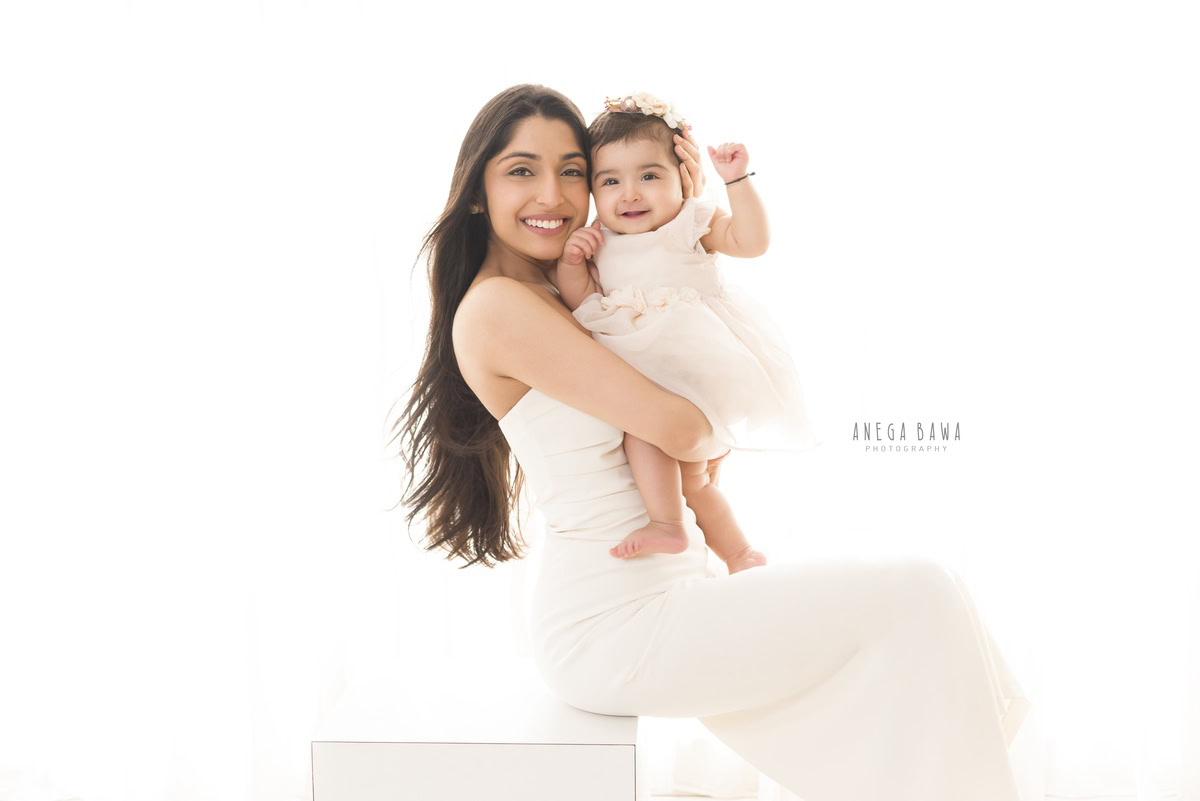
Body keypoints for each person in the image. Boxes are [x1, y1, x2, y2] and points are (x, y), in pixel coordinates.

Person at [392, 83, 1030, 801]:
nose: (555, 193)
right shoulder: (500, 308)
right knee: (917, 589)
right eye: (521, 170)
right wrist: (694, 427)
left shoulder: (567, 286)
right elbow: (685, 427)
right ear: (476, 190)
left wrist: (680, 216)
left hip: (670, 593)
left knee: (920, 606)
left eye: (573, 170)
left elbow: (682, 354)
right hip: (613, 625)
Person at [551, 91, 819, 572]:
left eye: (649, 176)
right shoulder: (601, 238)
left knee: (650, 440)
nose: (629, 193)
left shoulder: (689, 221)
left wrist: (735, 181)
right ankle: (739, 553)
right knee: (691, 478)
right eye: (610, 181)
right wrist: (572, 260)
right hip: (648, 373)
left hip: (696, 363)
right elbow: (584, 303)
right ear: (593, 191)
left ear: (683, 177)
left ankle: (670, 525)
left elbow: (751, 242)